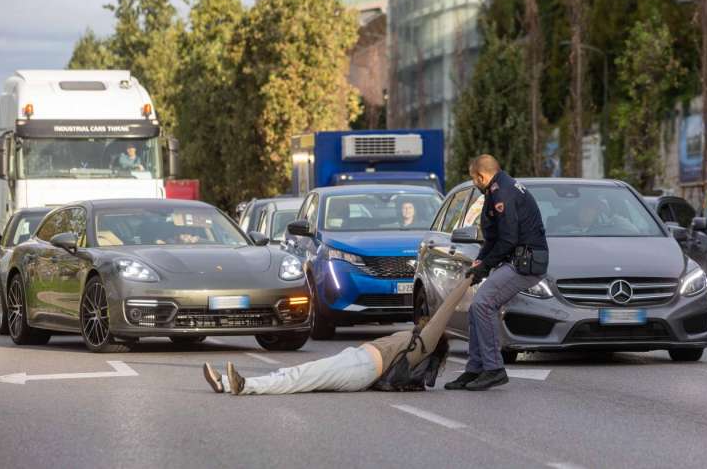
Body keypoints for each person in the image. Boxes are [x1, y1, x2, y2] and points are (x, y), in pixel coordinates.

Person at [202, 278, 472, 395]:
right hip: (356, 360)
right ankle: (227, 382)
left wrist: (468, 280)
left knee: (301, 377)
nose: (425, 322)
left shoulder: (423, 344)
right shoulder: (414, 340)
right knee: (300, 373)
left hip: (362, 367)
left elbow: (443, 314)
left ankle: (244, 386)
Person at [444, 154, 548, 391]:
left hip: (525, 262)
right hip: (517, 258)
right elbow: (494, 238)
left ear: (481, 176)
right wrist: (480, 262)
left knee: (483, 304)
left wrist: (487, 265)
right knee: (475, 310)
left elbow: (508, 239)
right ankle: (474, 369)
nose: (473, 184)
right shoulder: (496, 189)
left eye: (473, 179)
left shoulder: (502, 193)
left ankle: (493, 369)